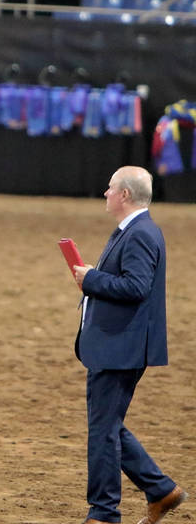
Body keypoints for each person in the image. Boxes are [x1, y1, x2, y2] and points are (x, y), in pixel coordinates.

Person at [72, 166, 187, 524]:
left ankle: (104, 513)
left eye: (110, 189)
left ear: (124, 195)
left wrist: (91, 278)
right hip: (120, 344)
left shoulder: (138, 234)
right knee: (107, 424)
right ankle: (160, 490)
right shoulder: (136, 230)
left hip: (121, 347)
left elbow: (136, 287)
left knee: (103, 430)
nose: (105, 194)